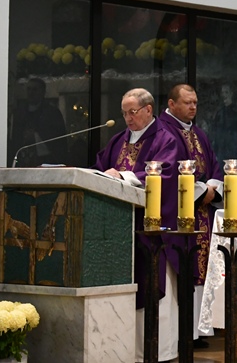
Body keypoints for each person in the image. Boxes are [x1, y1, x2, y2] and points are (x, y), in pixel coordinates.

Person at [95, 88, 186, 363]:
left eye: (132, 112)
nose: (128, 118)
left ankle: (158, 352)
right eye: (124, 113)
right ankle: (122, 350)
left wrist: (122, 176)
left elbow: (166, 175)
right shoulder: (118, 140)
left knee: (153, 286)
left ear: (148, 110)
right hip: (119, 228)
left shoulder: (166, 139)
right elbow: (101, 170)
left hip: (152, 229)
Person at [157, 84, 223, 349]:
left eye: (195, 102)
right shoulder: (163, 132)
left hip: (203, 213)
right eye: (187, 102)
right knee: (187, 267)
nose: (193, 107)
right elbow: (170, 172)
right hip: (180, 215)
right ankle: (185, 332)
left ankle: (198, 330)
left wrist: (212, 188)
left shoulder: (198, 132)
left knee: (203, 268)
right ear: (172, 104)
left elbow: (213, 164)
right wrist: (202, 191)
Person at [9, 77, 67, 166]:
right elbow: (15, 139)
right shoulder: (19, 113)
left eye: (35, 89)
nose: (31, 93)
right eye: (29, 89)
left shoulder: (52, 113)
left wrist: (36, 137)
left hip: (45, 162)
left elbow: (58, 141)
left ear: (43, 92)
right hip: (22, 161)